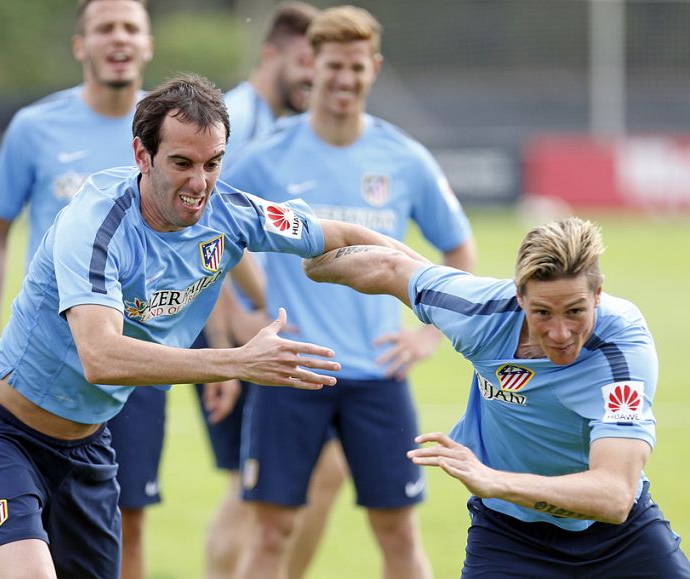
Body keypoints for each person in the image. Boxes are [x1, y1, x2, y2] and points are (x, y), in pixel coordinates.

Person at [0, 73, 425, 579]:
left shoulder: (232, 213)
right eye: (182, 163)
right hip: (2, 434)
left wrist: (433, 287)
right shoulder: (95, 225)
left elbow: (341, 235)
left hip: (87, 448)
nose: (200, 184)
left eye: (212, 163)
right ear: (142, 155)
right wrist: (238, 362)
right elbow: (101, 356)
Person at [225, 6, 476, 578]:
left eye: (356, 67)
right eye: (334, 65)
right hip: (291, 371)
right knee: (270, 532)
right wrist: (239, 313)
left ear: (374, 68)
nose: (344, 79)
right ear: (312, 65)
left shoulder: (404, 158)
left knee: (399, 531)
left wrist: (428, 334)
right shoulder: (268, 156)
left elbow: (459, 249)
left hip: (378, 375)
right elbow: (215, 231)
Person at [304, 217, 690, 578]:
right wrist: (306, 250)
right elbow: (391, 267)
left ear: (598, 295)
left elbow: (615, 496)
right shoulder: (479, 312)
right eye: (542, 312)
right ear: (519, 296)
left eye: (575, 311)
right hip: (509, 536)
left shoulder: (621, 350)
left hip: (620, 539)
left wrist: (494, 481)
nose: (560, 333)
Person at [0, 2, 164, 577]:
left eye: (130, 28)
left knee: (127, 519)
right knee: (31, 528)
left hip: (136, 353)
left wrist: (229, 332)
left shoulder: (168, 130)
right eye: (105, 28)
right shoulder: (36, 127)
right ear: (81, 45)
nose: (118, 38)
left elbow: (205, 233)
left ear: (148, 44)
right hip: (49, 354)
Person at [192, 4, 351, 578]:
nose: (316, 76)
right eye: (306, 60)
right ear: (270, 56)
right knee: (255, 487)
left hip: (257, 322)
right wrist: (231, 321)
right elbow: (196, 222)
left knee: (318, 471)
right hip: (230, 325)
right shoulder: (233, 119)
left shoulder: (278, 125)